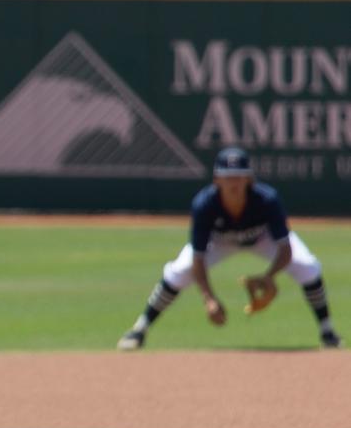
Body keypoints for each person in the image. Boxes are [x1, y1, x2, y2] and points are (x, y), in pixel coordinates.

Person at [117, 147, 342, 351]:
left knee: (308, 267)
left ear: (249, 179)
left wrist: (269, 277)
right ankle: (140, 329)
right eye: (227, 177)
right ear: (217, 180)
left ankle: (328, 331)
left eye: (239, 176)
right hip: (220, 240)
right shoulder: (204, 204)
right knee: (179, 271)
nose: (233, 182)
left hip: (262, 238)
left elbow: (285, 249)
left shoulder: (267, 199)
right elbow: (198, 257)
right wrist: (209, 299)